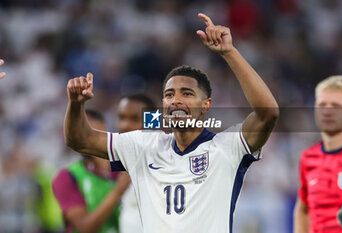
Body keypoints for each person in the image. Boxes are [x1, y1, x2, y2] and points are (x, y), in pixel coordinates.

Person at [64, 13, 279, 233]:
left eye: (186, 94)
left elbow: (267, 114)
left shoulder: (227, 147)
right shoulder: (143, 146)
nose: (176, 100)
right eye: (169, 95)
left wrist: (229, 53)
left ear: (206, 105)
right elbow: (80, 140)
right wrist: (76, 105)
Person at [53, 109, 130, 233]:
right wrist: (117, 191)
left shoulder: (126, 169)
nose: (77, 133)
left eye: (83, 125)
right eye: (73, 128)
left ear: (102, 128)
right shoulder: (67, 176)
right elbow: (84, 228)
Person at [294, 75, 342, 233]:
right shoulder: (309, 158)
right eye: (322, 105)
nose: (327, 111)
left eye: (336, 106)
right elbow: (303, 209)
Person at [115, 94, 157, 233]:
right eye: (121, 118)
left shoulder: (165, 165)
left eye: (134, 119)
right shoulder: (119, 164)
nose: (125, 125)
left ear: (152, 123)